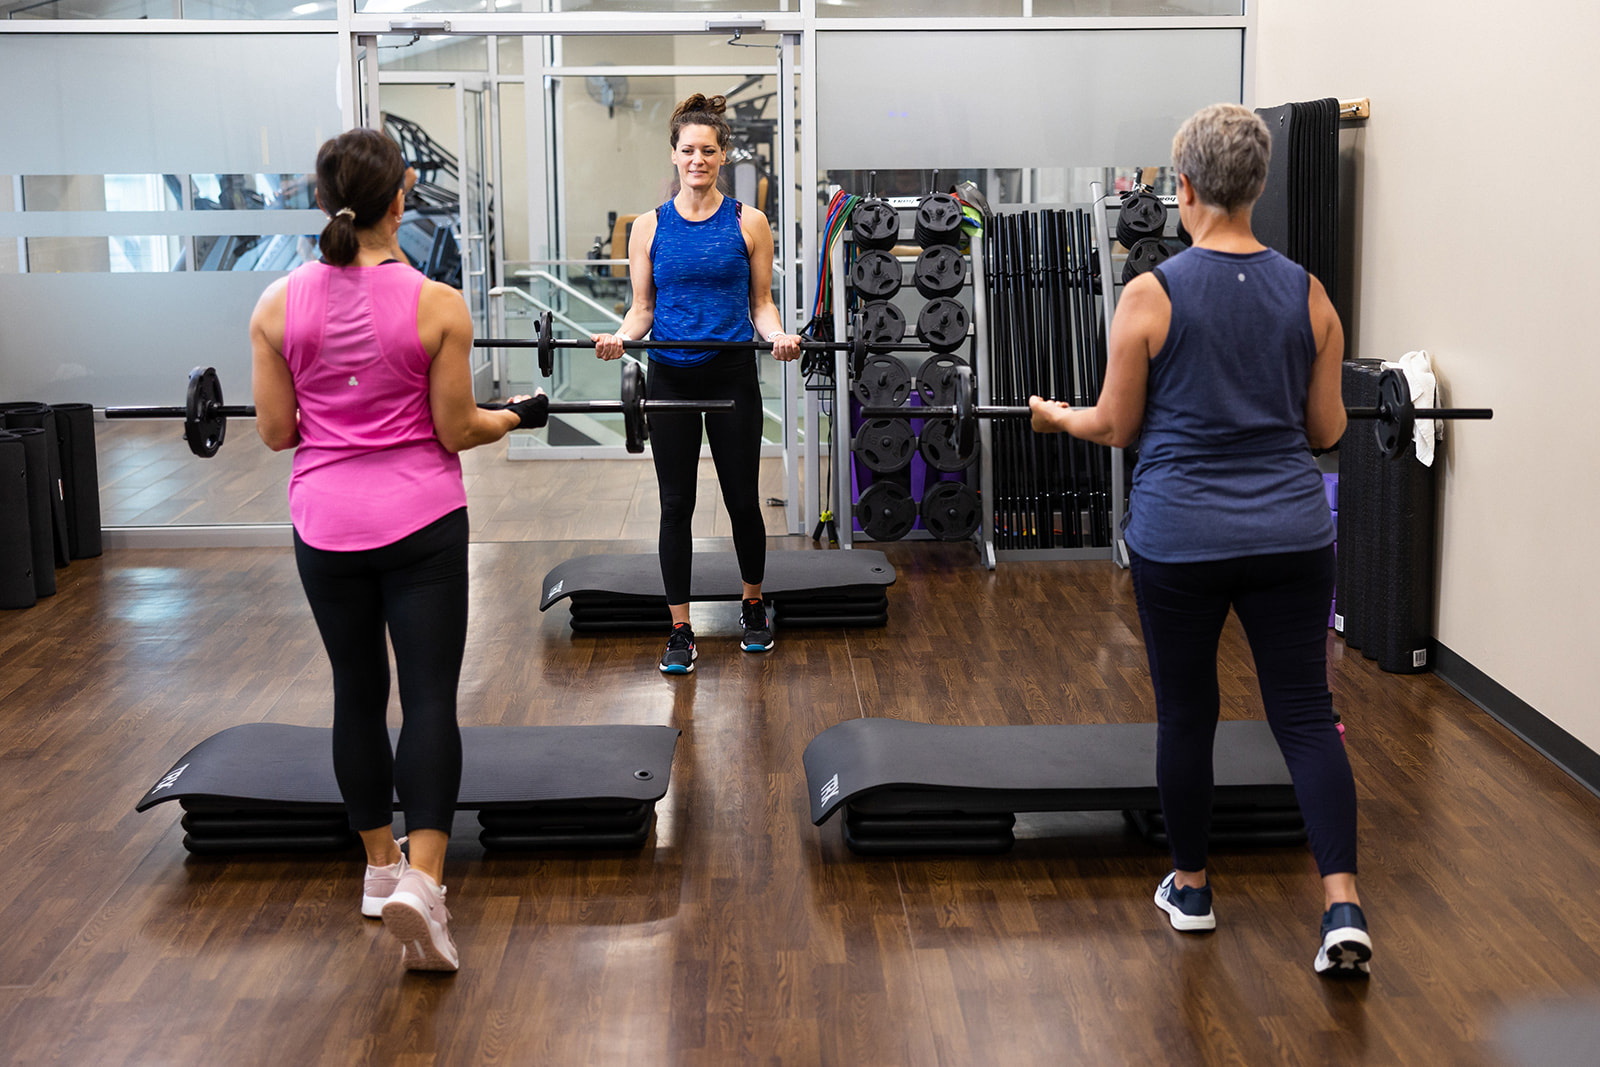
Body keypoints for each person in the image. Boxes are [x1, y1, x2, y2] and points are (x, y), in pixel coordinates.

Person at [1029, 103, 1369, 978]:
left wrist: (1056, 415)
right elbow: (1327, 429)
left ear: (1182, 188)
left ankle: (1192, 888)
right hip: (1295, 533)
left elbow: (1115, 424)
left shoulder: (1153, 293)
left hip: (1180, 539)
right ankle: (1341, 907)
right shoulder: (1310, 293)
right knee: (1305, 719)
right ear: (1255, 186)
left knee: (1189, 714)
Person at [249, 127, 546, 973]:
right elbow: (458, 428)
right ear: (401, 197)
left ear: (321, 197)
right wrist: (518, 414)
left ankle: (379, 870)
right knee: (427, 701)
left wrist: (337, 419)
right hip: (419, 525)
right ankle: (425, 882)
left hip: (325, 527)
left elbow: (276, 432)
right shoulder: (436, 302)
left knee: (355, 693)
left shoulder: (274, 306)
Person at [592, 92, 801, 675]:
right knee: (675, 505)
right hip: (670, 377)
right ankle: (680, 628)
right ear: (675, 154)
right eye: (688, 150)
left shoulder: (749, 222)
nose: (698, 160)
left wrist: (779, 336)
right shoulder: (648, 227)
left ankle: (753, 607)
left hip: (733, 371)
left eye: (708, 150)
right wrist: (618, 338)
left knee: (742, 502)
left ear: (723, 154)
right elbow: (641, 310)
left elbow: (761, 304)